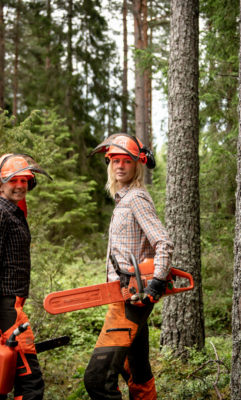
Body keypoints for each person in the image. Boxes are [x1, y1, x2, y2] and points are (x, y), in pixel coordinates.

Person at [83, 134, 174, 400]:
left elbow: (163, 243)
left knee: (97, 380)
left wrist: (157, 282)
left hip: (133, 297)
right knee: (136, 368)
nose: (120, 166)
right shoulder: (123, 199)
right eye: (115, 161)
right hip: (123, 295)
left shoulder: (136, 198)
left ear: (137, 165)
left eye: (126, 161)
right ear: (109, 164)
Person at [0, 154, 52, 400]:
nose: (19, 185)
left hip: (13, 303)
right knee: (29, 379)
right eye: (13, 180)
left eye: (25, 180)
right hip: (7, 306)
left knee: (0, 376)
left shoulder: (15, 213)